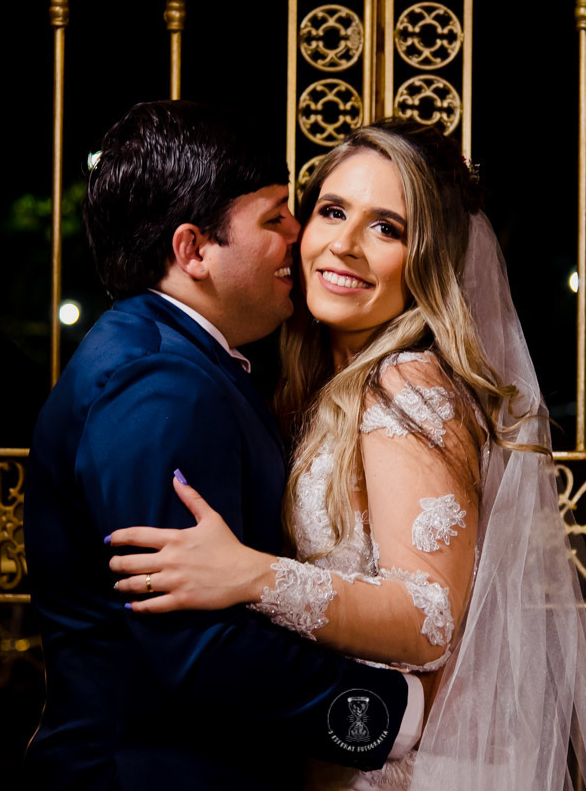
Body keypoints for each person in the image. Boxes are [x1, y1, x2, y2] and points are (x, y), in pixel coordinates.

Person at [107, 120, 586, 791]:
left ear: (426, 261)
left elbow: (429, 615)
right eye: (333, 211)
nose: (343, 246)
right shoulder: (326, 387)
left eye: (387, 228)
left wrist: (251, 575)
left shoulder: (407, 385)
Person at [22, 102, 426, 791]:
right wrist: (393, 711)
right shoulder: (159, 385)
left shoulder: (178, 357)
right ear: (193, 250)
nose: (300, 235)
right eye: (274, 217)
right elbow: (194, 644)